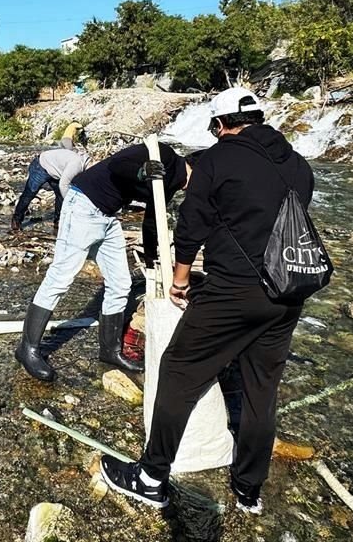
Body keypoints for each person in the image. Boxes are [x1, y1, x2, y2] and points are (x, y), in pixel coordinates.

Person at [99, 87, 315, 515]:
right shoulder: (297, 164)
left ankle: (150, 477)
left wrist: (180, 279)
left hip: (233, 290)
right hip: (288, 293)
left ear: (220, 124)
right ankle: (249, 491)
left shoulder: (218, 158)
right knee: (261, 392)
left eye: (214, 127)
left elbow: (192, 225)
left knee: (179, 372)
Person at [15, 141, 191, 383]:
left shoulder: (169, 186)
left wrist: (151, 261)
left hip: (108, 216)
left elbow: (151, 221)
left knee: (121, 283)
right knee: (60, 277)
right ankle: (28, 348)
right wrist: (142, 171)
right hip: (83, 205)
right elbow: (119, 164)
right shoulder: (162, 153)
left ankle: (109, 350)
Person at [10, 148, 91, 233]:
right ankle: (16, 220)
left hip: (56, 171)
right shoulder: (76, 165)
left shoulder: (83, 164)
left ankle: (58, 221)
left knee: (60, 195)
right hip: (41, 166)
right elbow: (63, 185)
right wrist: (70, 203)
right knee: (30, 193)